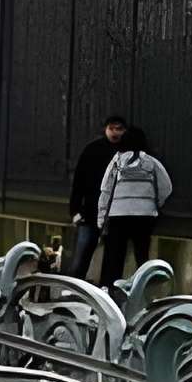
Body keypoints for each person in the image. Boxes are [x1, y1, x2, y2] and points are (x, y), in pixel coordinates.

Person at [95, 127, 172, 286]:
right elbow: (167, 187)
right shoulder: (151, 162)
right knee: (141, 256)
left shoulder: (116, 162)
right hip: (145, 215)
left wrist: (101, 218)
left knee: (114, 257)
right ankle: (142, 289)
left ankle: (111, 290)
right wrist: (155, 203)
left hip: (118, 215)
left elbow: (105, 190)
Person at [66, 112, 127, 279]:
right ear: (105, 129)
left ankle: (107, 295)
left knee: (113, 263)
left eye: (119, 129)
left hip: (116, 215)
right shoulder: (93, 149)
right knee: (80, 261)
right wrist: (75, 210)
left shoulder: (128, 152)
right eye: (111, 128)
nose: (115, 132)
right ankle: (73, 291)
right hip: (91, 212)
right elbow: (79, 180)